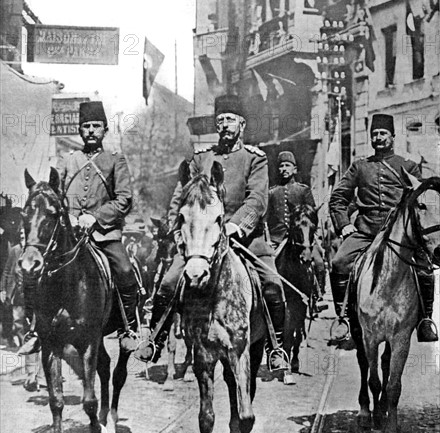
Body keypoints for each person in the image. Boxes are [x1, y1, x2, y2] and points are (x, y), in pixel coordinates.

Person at [144, 94, 289, 370]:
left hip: (246, 238)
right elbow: (181, 199)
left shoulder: (255, 159)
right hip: (201, 241)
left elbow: (257, 200)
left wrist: (235, 226)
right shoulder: (201, 159)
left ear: (242, 124)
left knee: (272, 283)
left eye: (230, 120)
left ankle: (276, 347)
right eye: (220, 120)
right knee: (168, 282)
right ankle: (155, 339)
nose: (224, 125)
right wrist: (178, 231)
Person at [20, 101, 139, 354]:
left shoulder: (115, 160)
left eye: (96, 126)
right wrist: (70, 217)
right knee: (40, 273)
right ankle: (35, 330)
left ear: (105, 130)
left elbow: (124, 199)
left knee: (126, 270)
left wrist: (95, 217)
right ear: (80, 131)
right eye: (86, 126)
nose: (91, 131)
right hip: (71, 236)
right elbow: (56, 195)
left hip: (105, 234)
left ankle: (129, 328)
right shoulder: (68, 160)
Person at [329, 113, 437, 342]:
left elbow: (421, 198)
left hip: (400, 235)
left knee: (425, 269)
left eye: (382, 134)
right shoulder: (360, 167)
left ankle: (425, 320)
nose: (378, 138)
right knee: (339, 262)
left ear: (392, 136)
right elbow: (338, 197)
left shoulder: (408, 166)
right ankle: (344, 318)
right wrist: (344, 225)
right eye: (374, 134)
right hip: (367, 231)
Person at [267, 151, 326, 294]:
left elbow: (312, 215)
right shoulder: (272, 192)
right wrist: (268, 239)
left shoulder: (303, 190)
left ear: (294, 169)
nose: (284, 169)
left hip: (302, 239)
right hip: (276, 239)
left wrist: (312, 237)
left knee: (318, 263)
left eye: (288, 165)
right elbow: (267, 219)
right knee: (266, 266)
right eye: (281, 166)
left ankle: (317, 295)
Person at [0, 229, 41, 388]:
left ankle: (33, 366)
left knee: (33, 328)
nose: (24, 236)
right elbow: (7, 271)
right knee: (18, 324)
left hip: (33, 296)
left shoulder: (37, 252)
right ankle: (28, 358)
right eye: (22, 234)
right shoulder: (16, 250)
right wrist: (3, 289)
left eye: (26, 234)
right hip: (17, 295)